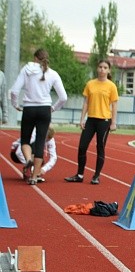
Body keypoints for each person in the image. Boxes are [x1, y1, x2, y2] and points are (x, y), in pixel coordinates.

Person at [10, 48, 67, 185]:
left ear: (35, 58)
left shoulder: (26, 70)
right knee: (41, 143)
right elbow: (63, 97)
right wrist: (53, 108)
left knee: (25, 139)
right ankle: (34, 178)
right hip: (45, 109)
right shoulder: (53, 74)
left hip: (29, 108)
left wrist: (15, 104)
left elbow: (14, 91)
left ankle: (28, 159)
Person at [65, 59, 119, 185]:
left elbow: (115, 105)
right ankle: (79, 174)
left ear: (108, 70)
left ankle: (96, 176)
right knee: (82, 146)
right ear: (97, 68)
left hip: (104, 120)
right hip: (91, 120)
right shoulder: (90, 84)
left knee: (100, 147)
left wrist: (113, 122)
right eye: (100, 67)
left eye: (105, 67)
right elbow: (86, 102)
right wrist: (82, 118)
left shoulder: (111, 86)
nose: (102, 69)